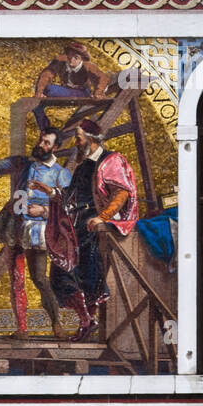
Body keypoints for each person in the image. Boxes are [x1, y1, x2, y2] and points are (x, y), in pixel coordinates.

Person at [0, 128, 72, 340]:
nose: (41, 145)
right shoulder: (22, 163)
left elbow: (68, 207)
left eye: (47, 143)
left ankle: (56, 324)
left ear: (56, 148)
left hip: (37, 233)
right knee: (16, 279)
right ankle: (22, 329)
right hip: (14, 229)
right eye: (41, 141)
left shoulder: (61, 173)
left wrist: (44, 210)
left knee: (40, 278)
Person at [48, 120, 139, 339]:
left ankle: (88, 321)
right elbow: (71, 196)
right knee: (59, 274)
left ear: (92, 138)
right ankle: (87, 319)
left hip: (95, 226)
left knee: (89, 274)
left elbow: (121, 193)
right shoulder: (82, 166)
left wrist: (102, 217)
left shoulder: (111, 160)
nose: (76, 143)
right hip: (77, 225)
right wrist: (52, 194)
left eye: (78, 138)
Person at [34, 42, 113, 133]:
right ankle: (46, 130)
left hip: (82, 93)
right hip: (65, 91)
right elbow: (47, 74)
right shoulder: (60, 61)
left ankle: (63, 132)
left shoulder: (88, 65)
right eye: (69, 56)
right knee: (38, 102)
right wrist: (39, 92)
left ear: (82, 59)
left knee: (49, 90)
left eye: (76, 57)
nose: (71, 59)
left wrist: (98, 93)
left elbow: (103, 78)